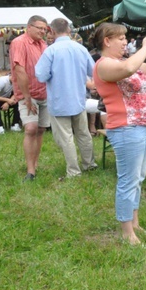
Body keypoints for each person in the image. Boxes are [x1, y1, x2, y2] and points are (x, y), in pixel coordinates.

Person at [93, 24, 146, 246]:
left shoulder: (124, 62)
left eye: (125, 38)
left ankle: (135, 223)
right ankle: (126, 232)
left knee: (138, 177)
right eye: (120, 38)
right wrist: (143, 45)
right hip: (124, 127)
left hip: (141, 125)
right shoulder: (104, 65)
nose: (125, 42)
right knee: (128, 180)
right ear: (107, 41)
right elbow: (131, 68)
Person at [35, 18, 98, 179]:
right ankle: (89, 164)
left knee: (66, 138)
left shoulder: (50, 51)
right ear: (69, 31)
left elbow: (41, 76)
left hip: (59, 101)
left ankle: (73, 171)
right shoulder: (81, 49)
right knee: (83, 134)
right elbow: (94, 71)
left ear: (52, 31)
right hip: (78, 99)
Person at [9, 15, 49, 181]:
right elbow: (19, 70)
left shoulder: (44, 45)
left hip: (45, 93)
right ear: (29, 27)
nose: (42, 31)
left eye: (44, 29)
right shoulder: (19, 42)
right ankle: (30, 171)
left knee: (40, 129)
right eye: (39, 28)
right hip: (28, 94)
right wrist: (26, 97)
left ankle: (35, 162)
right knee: (31, 128)